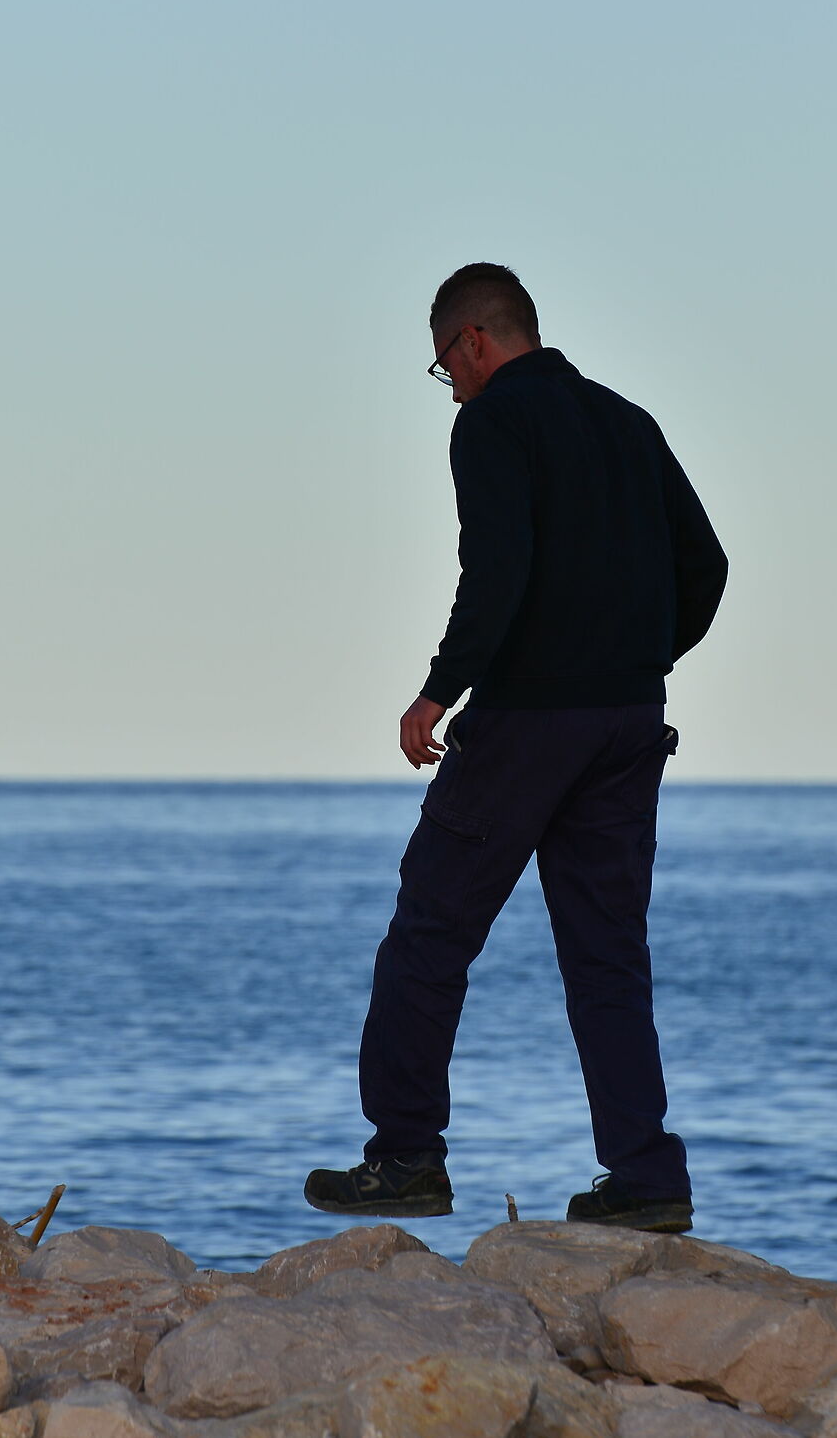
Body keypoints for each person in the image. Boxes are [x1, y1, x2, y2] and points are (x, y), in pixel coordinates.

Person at [305, 263, 729, 1233]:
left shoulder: (493, 422)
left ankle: (406, 1156)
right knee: (608, 960)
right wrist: (631, 660)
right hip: (626, 724)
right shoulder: (630, 422)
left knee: (429, 935)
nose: (449, 384)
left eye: (444, 364)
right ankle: (648, 1180)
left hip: (528, 722)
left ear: (476, 343)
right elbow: (705, 566)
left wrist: (436, 691)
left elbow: (496, 570)